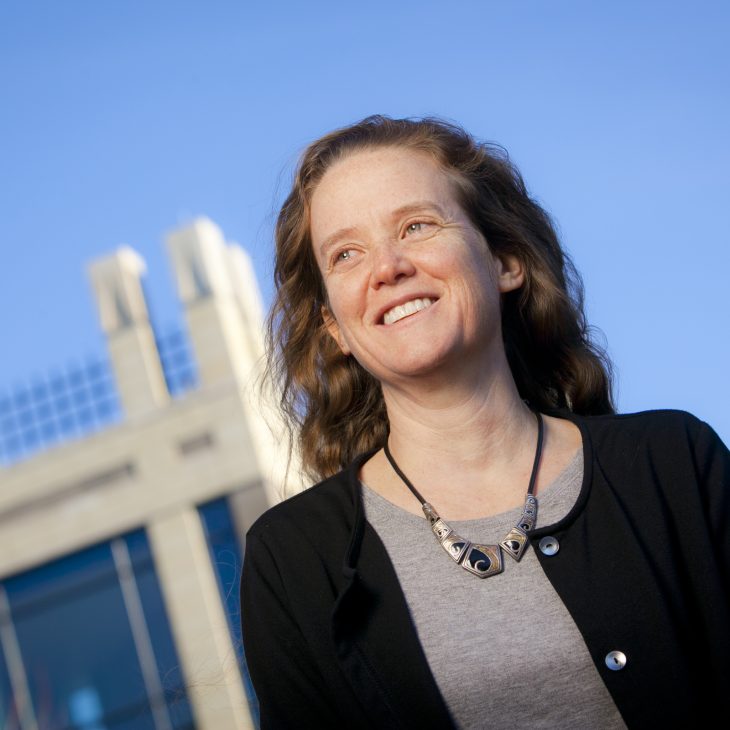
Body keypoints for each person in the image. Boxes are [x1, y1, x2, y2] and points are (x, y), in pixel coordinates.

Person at [240, 116, 730, 729]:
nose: (387, 267)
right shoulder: (290, 561)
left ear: (505, 262)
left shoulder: (673, 463)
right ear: (334, 325)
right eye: (346, 254)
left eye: (416, 225)